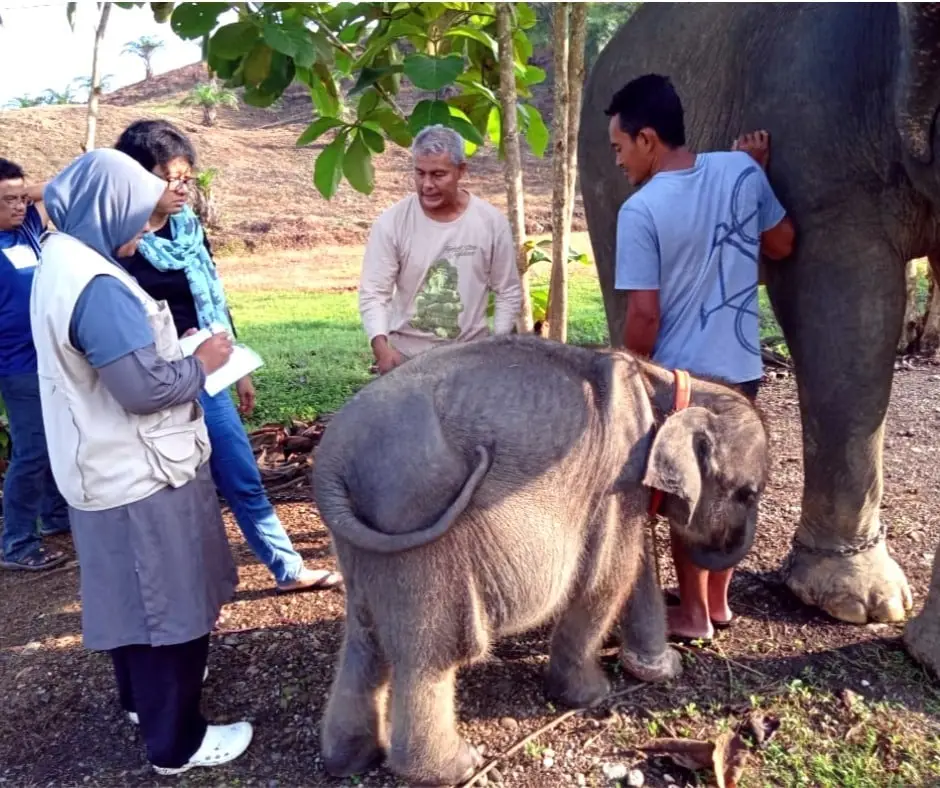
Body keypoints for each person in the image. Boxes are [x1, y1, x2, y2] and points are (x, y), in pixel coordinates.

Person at [31, 147, 253, 774]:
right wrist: (204, 361)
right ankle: (177, 743)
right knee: (168, 606)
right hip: (138, 473)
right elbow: (144, 390)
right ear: (109, 209)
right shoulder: (99, 285)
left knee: (130, 600)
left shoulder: (63, 258)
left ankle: (141, 705)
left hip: (97, 466)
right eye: (139, 216)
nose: (144, 231)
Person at [113, 119, 341, 595]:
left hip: (209, 372)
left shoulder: (188, 228)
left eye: (186, 177)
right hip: (153, 382)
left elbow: (212, 297)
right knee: (174, 491)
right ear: (135, 176)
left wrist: (238, 369)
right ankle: (180, 590)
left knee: (240, 474)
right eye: (167, 177)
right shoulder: (116, 243)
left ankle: (288, 567)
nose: (180, 188)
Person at [606, 74, 795, 641]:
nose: (617, 162)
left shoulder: (640, 212)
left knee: (688, 494)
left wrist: (625, 375)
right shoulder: (740, 170)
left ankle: (690, 615)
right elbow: (783, 243)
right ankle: (716, 603)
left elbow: (644, 316)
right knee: (731, 486)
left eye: (618, 148)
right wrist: (754, 174)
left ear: (646, 138)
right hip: (740, 371)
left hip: (682, 381)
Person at [358, 124, 523, 374]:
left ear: (461, 171)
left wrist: (496, 346)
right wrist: (382, 349)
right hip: (407, 358)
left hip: (471, 359)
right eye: (420, 173)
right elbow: (374, 293)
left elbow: (507, 290)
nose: (427, 185)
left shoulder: (490, 222)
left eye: (438, 174)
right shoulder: (392, 222)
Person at [0, 158, 70, 571]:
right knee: (32, 451)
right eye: (8, 200)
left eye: (22, 198)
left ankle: (56, 517)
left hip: (52, 357)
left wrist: (23, 192)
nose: (19, 206)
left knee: (56, 438)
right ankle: (17, 543)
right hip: (17, 364)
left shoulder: (27, 229)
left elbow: (55, 188)